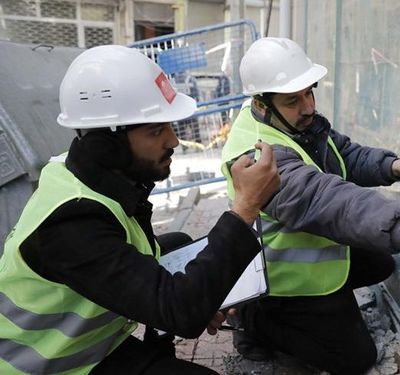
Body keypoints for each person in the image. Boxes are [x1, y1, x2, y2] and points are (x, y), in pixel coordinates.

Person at [0, 45, 279, 374]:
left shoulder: (89, 173)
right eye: (156, 130)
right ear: (109, 143)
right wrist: (244, 207)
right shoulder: (71, 222)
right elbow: (181, 311)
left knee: (177, 244)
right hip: (50, 365)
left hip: (93, 342)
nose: (174, 141)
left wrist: (199, 296)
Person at [220, 37, 400, 375]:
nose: (308, 107)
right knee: (356, 359)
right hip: (282, 280)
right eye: (293, 100)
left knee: (380, 263)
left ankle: (320, 314)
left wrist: (390, 166)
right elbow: (325, 199)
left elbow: (341, 153)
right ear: (261, 102)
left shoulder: (289, 121)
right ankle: (253, 319)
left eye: (309, 92)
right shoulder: (257, 157)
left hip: (310, 263)